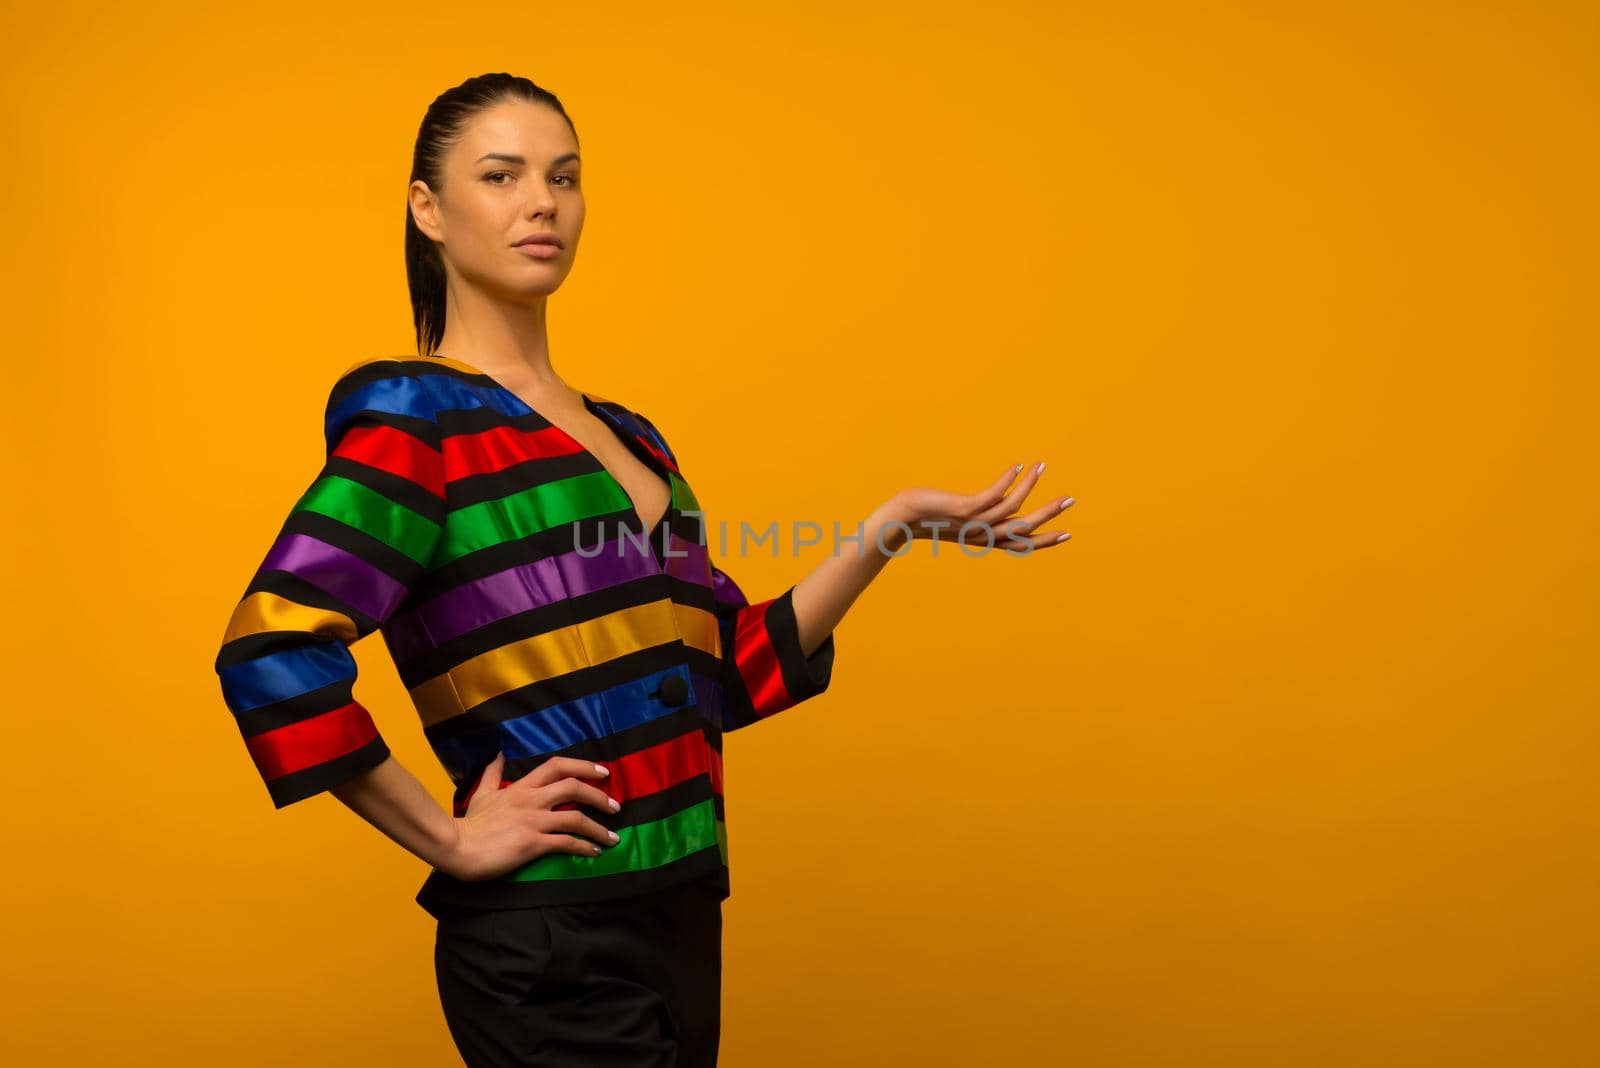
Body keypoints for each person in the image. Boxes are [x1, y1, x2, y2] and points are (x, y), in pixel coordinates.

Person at [212, 71, 1074, 1068]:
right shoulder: (419, 420)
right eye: (501, 175)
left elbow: (726, 675)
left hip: (680, 915)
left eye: (564, 177)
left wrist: (891, 527)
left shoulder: (633, 439)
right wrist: (448, 842)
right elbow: (271, 647)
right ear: (427, 210)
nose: (542, 202)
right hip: (546, 938)